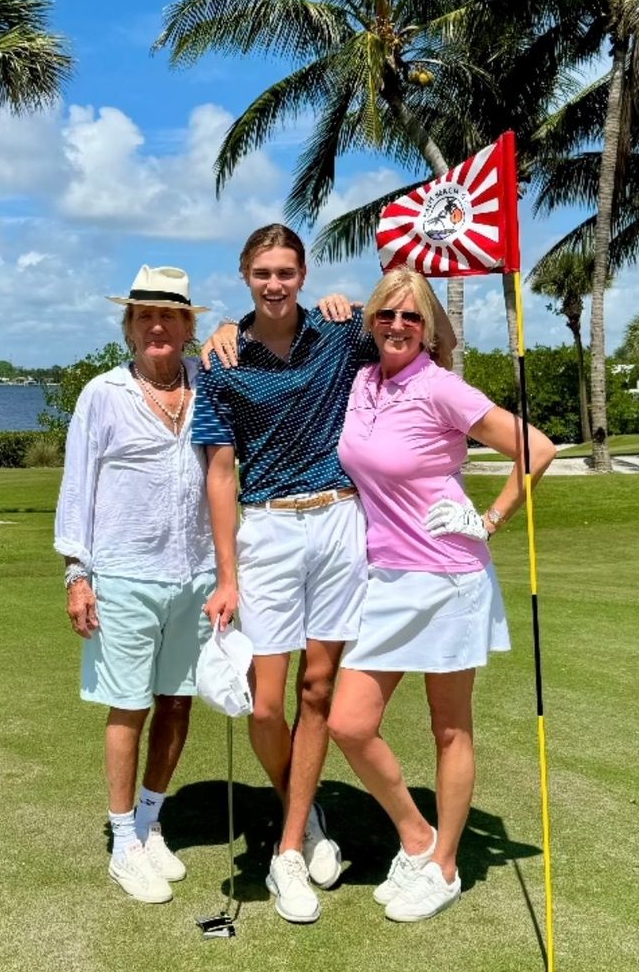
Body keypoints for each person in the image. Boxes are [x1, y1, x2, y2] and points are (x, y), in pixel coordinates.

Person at [328, 267, 557, 923]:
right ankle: (416, 836)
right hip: (385, 579)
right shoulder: (363, 382)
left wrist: (487, 519)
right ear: (373, 321)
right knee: (350, 722)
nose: (396, 326)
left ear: (429, 328)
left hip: (449, 577)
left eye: (411, 317)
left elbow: (538, 450)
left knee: (450, 726)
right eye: (386, 315)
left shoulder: (442, 388)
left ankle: (447, 865)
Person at [192, 224, 375, 924]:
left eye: (287, 272)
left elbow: (420, 337)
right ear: (245, 276)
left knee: (317, 690)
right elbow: (219, 471)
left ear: (303, 275)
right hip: (267, 526)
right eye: (263, 272)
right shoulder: (221, 360)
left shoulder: (340, 332)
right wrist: (226, 574)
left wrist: (354, 303)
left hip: (337, 520)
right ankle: (309, 810)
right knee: (266, 705)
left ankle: (290, 849)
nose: (275, 284)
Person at [54, 265, 214, 905]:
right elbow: (78, 485)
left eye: (171, 316)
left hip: (197, 575)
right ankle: (123, 839)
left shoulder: (210, 383)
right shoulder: (102, 393)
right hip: (122, 574)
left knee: (178, 701)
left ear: (187, 326)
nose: (158, 325)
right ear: (129, 326)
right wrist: (77, 573)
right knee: (130, 705)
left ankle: (150, 824)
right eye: (145, 315)